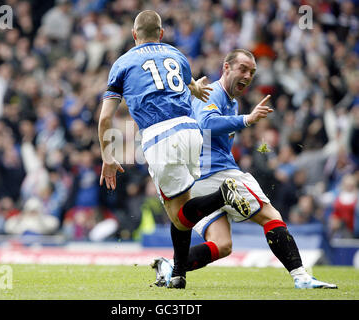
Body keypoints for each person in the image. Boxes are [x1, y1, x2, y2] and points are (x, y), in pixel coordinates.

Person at [152, 48, 337, 289]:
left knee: (221, 245)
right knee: (271, 215)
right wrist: (247, 120)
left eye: (252, 72)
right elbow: (206, 123)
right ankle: (301, 276)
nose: (248, 76)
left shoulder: (232, 102)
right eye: (243, 69)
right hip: (219, 174)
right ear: (226, 67)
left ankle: (171, 266)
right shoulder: (213, 92)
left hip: (197, 180)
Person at [98, 10, 244, 289]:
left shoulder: (123, 63)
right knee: (183, 213)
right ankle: (178, 274)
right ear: (161, 34)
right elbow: (188, 86)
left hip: (160, 136)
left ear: (133, 35)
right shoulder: (177, 55)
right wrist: (197, 91)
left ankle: (223, 194)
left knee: (178, 215)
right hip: (191, 132)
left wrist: (107, 156)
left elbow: (105, 118)